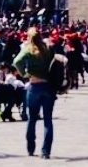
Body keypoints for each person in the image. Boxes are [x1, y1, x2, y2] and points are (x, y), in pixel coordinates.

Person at [13, 27, 55, 159]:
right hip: (48, 86)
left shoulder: (28, 49)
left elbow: (16, 61)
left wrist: (24, 73)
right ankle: (45, 151)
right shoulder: (47, 48)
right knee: (48, 120)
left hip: (34, 85)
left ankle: (31, 148)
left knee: (32, 119)